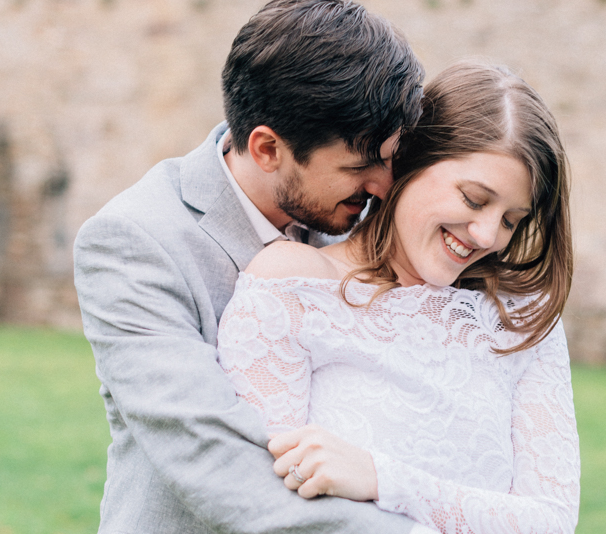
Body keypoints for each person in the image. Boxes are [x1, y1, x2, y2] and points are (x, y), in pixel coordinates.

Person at [72, 0, 426, 532]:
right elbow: (213, 457)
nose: (383, 187)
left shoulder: (370, 219)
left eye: (390, 160)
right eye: (360, 167)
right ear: (267, 148)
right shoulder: (134, 241)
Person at [216, 62, 580, 534]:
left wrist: (382, 479)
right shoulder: (293, 287)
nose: (488, 235)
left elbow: (550, 521)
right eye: (473, 199)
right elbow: (261, 504)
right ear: (405, 164)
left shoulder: (524, 318)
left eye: (512, 220)